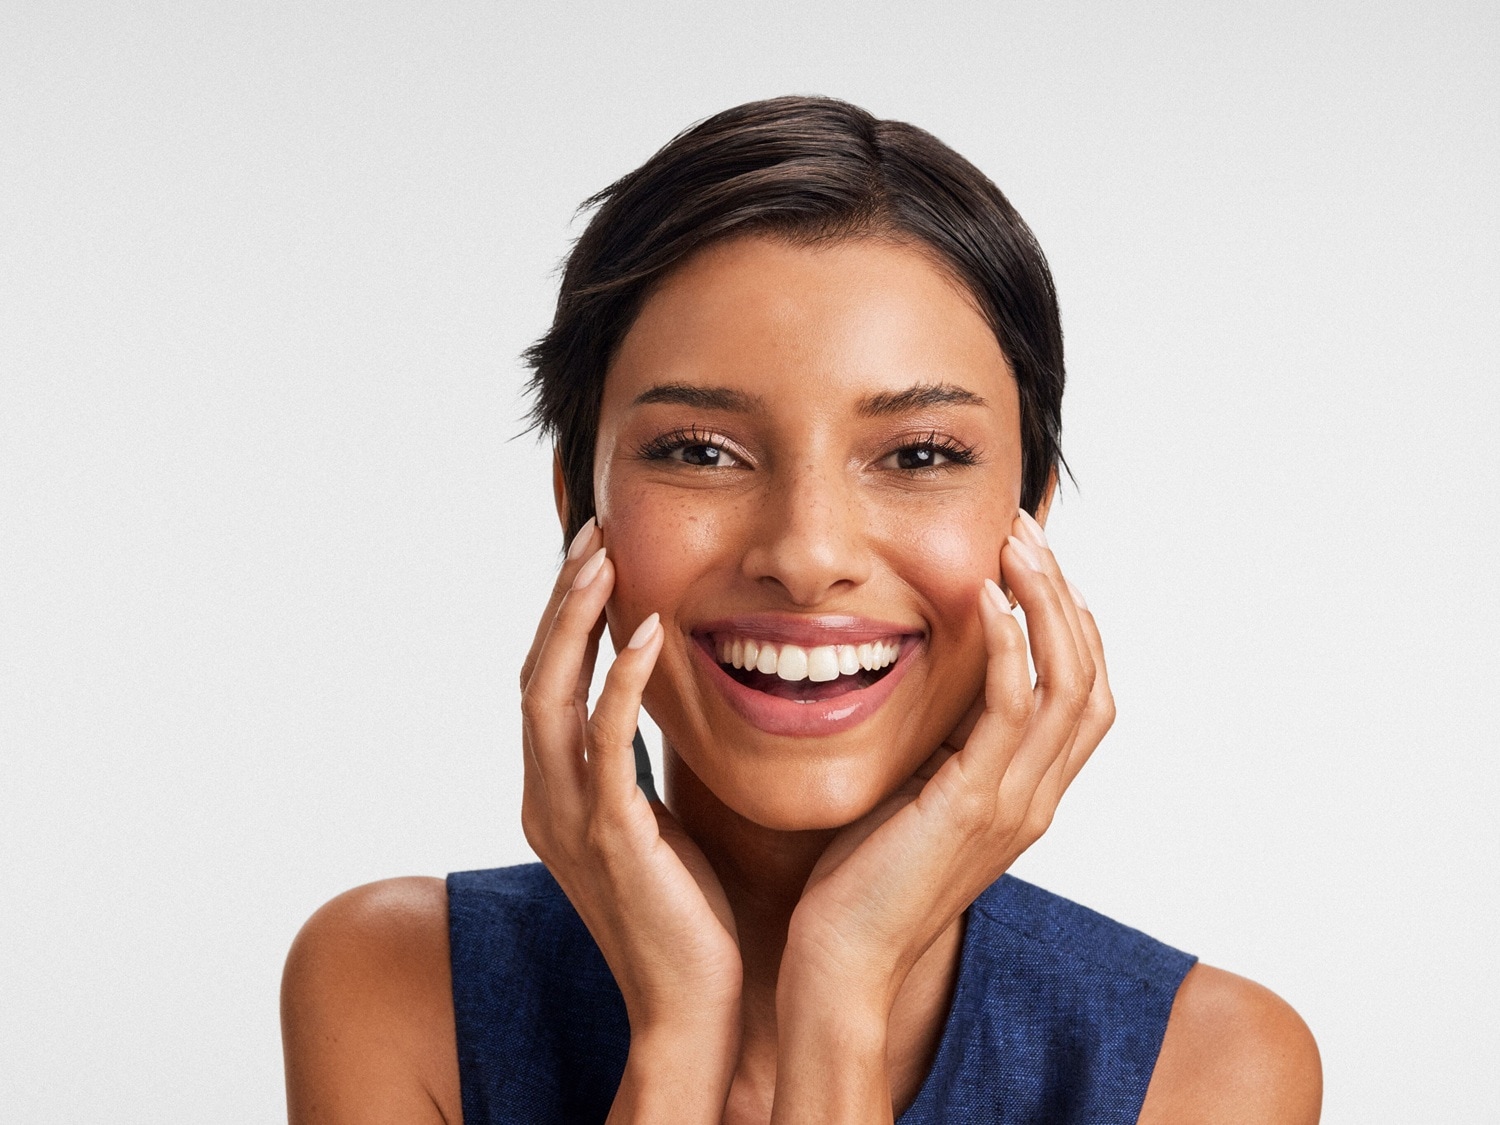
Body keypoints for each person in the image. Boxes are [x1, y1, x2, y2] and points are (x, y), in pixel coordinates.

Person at [280, 96, 1321, 1124]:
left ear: (1029, 518)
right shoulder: (397, 990)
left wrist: (846, 986)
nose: (806, 555)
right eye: (699, 452)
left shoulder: (1207, 1069)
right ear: (577, 505)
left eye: (918, 456)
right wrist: (681, 1036)